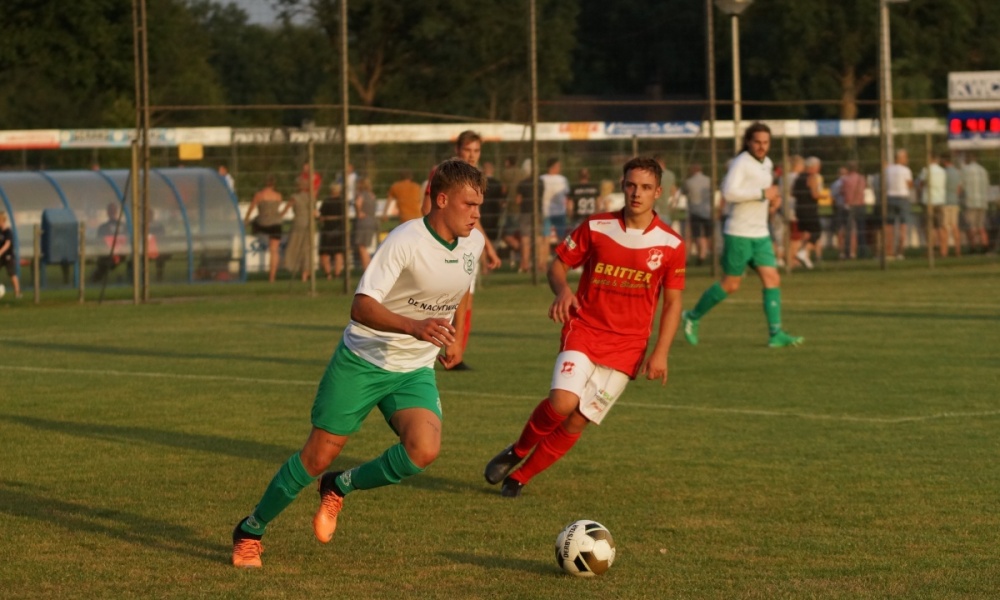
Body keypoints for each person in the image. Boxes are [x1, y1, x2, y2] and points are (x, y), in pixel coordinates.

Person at [230, 158, 487, 569]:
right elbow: (361, 306)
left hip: (414, 369)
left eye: (479, 205)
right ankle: (250, 530)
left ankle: (339, 486)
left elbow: (459, 288)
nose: (476, 214)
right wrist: (414, 326)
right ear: (441, 199)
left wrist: (451, 336)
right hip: (363, 361)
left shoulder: (473, 243)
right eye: (469, 204)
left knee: (424, 449)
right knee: (316, 458)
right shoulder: (405, 241)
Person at [483, 156, 686, 498]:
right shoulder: (596, 226)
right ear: (622, 186)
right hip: (585, 329)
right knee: (563, 402)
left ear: (658, 193)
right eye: (631, 185)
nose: (637, 193)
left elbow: (673, 303)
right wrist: (563, 291)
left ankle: (520, 478)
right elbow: (557, 266)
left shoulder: (671, 244)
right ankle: (517, 451)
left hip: (628, 346)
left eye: (646, 187)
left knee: (578, 419)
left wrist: (661, 353)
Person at [681, 122, 804, 349]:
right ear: (748, 142)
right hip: (739, 233)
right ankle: (692, 316)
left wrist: (772, 200)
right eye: (757, 142)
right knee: (731, 284)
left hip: (760, 233)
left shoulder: (767, 163)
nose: (762, 146)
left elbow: (763, 194)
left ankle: (775, 334)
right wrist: (762, 193)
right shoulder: (741, 163)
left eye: (766, 142)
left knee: (772, 278)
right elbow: (729, 192)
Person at [421, 130, 502, 371]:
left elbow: (474, 219)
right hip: (446, 245)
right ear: (457, 150)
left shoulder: (475, 177)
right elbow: (426, 208)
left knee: (465, 301)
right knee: (439, 300)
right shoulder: (444, 173)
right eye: (468, 150)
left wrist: (488, 247)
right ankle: (427, 351)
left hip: (466, 246)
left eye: (476, 150)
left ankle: (456, 353)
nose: (472, 155)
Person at [244, 175, 285, 283]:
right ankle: (272, 277)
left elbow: (251, 207)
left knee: (254, 222)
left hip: (262, 222)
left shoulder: (259, 195)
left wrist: (246, 219)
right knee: (274, 251)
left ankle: (253, 233)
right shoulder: (278, 196)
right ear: (274, 184)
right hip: (276, 223)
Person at [791, 156, 822, 270]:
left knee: (805, 234)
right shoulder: (811, 177)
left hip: (799, 209)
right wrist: (825, 196)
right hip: (810, 210)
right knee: (817, 232)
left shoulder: (798, 178)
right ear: (812, 167)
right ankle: (803, 252)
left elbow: (793, 192)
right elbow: (814, 195)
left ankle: (805, 257)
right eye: (818, 167)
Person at [884, 149, 914, 260]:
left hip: (890, 197)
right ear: (900, 158)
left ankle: (889, 251)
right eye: (905, 157)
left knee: (889, 225)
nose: (907, 159)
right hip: (903, 197)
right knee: (903, 225)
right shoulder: (906, 170)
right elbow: (910, 185)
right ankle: (900, 251)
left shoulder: (888, 170)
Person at [283, 178, 314, 281]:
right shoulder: (310, 197)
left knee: (294, 246)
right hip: (309, 223)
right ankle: (305, 272)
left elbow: (286, 209)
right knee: (307, 248)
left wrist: (279, 215)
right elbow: (313, 211)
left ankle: (293, 267)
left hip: (298, 223)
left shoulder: (294, 197)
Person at [682, 163, 712, 266]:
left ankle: (700, 256)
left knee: (698, 235)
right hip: (707, 211)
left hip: (695, 211)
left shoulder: (689, 182)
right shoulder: (709, 180)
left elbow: (684, 192)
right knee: (706, 235)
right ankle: (703, 254)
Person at [92, 202, 129, 283]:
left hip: (122, 253)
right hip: (107, 254)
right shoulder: (103, 227)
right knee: (103, 261)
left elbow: (127, 241)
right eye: (110, 210)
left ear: (116, 212)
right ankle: (97, 278)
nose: (112, 212)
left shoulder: (123, 226)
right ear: (108, 212)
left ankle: (97, 277)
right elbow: (99, 242)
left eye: (113, 210)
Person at [961, 152, 991, 254]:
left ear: (967, 159)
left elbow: (961, 186)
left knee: (971, 226)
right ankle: (985, 247)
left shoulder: (965, 170)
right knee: (981, 226)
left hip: (970, 202)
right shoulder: (983, 170)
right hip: (982, 202)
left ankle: (973, 247)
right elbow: (987, 185)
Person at [918, 154, 947, 258]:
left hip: (929, 201)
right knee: (940, 226)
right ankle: (943, 250)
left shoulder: (926, 170)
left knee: (930, 227)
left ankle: (931, 250)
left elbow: (920, 184)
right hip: (940, 200)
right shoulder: (942, 171)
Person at [840, 161, 868, 259]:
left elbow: (842, 191)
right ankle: (862, 252)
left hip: (849, 206)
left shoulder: (845, 179)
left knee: (849, 230)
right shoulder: (861, 178)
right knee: (861, 229)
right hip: (860, 205)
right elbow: (864, 189)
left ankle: (848, 251)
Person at [318, 182, 346, 279]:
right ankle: (337, 274)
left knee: (325, 253)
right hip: (340, 229)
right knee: (338, 252)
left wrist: (326, 219)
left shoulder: (327, 201)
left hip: (327, 229)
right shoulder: (342, 202)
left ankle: (328, 274)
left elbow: (321, 216)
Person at [353, 176, 379, 271]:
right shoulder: (372, 195)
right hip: (372, 221)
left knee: (361, 247)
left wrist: (358, 212)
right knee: (365, 247)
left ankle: (367, 269)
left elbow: (357, 203)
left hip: (363, 222)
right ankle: (370, 268)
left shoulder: (361, 194)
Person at [940, 153, 963, 257]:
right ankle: (958, 250)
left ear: (944, 161)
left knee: (945, 227)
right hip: (954, 202)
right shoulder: (957, 173)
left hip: (945, 202)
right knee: (955, 227)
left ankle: (944, 251)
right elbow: (959, 189)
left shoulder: (943, 173)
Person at [0, 212, 22, 299]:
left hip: (8, 256)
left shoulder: (7, 231)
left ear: (2, 220)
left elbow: (7, 244)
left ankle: (17, 293)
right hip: (0, 257)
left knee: (12, 274)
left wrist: (1, 252)